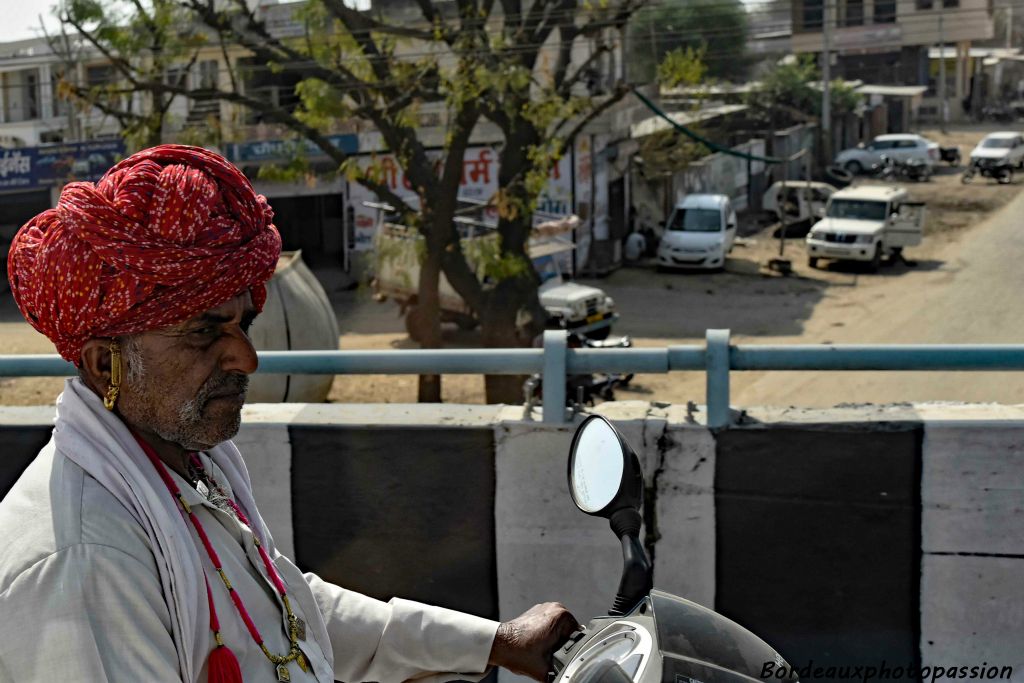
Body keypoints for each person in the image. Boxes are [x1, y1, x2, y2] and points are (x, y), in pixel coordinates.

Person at [0, 145, 577, 682]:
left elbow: (284, 610)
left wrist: (493, 642)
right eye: (205, 332)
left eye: (241, 326)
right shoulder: (87, 562)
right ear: (106, 366)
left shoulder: (186, 462)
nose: (246, 358)